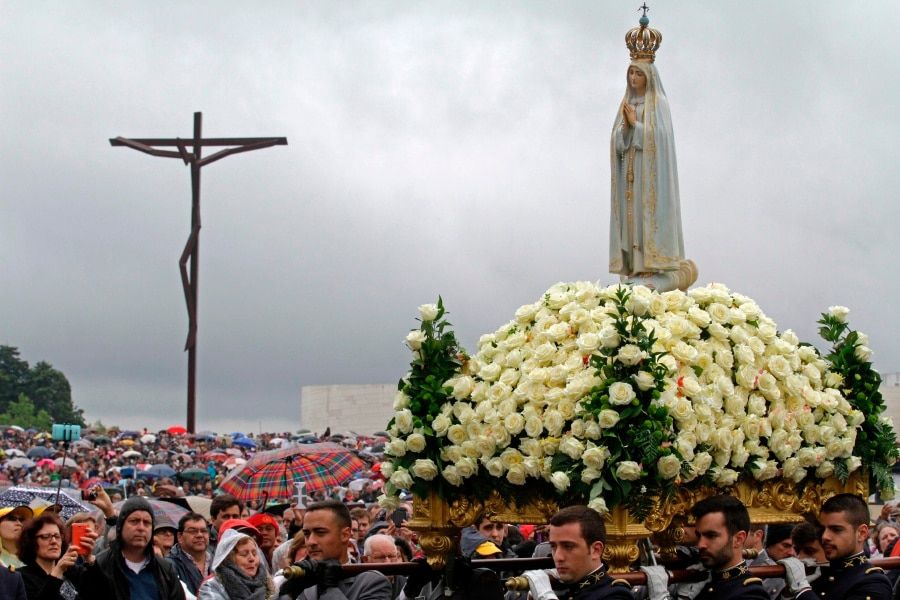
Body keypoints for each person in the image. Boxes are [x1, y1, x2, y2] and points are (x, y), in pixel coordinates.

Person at [609, 14, 694, 292]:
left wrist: (637, 125)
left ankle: (654, 267)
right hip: (630, 177)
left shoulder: (660, 104)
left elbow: (662, 140)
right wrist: (623, 131)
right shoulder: (627, 103)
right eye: (631, 73)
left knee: (648, 219)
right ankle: (635, 267)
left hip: (651, 178)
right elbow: (617, 142)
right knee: (632, 221)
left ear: (648, 77)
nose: (634, 78)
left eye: (638, 73)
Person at [779, 493, 892, 600]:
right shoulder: (818, 573)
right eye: (822, 529)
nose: (825, 537)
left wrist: (801, 589)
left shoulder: (873, 582)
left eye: (836, 530)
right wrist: (788, 594)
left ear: (861, 533)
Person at [279, 499, 391, 599]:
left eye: (320, 532)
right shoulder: (304, 582)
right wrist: (287, 594)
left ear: (345, 535)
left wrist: (328, 588)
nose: (311, 541)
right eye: (307, 534)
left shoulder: (372, 582)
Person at [519, 505, 633, 600]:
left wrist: (544, 595)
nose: (558, 557)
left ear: (596, 550)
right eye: (553, 546)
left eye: (568, 546)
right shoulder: (564, 589)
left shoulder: (616, 595)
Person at [83, 496, 186, 600]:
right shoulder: (101, 565)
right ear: (121, 526)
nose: (141, 528)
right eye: (134, 521)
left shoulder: (165, 570)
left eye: (146, 523)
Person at [16, 512, 104, 600]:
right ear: (31, 542)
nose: (54, 541)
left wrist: (90, 560)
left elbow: (101, 593)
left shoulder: (72, 571)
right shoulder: (21, 577)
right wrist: (58, 571)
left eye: (57, 536)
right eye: (46, 536)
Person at [197, 528, 276, 600]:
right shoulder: (211, 587)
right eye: (244, 554)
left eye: (254, 553)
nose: (252, 559)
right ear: (229, 559)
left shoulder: (269, 584)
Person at [168, 512, 212, 596]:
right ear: (180, 536)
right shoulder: (169, 566)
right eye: (193, 531)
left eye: (203, 531)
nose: (199, 535)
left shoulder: (218, 563)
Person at [748, 523, 795, 599]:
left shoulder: (776, 575)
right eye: (786, 546)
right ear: (771, 543)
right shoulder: (759, 564)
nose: (792, 553)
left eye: (795, 548)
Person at [361, 534, 404, 599]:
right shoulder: (358, 586)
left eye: (391, 556)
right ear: (365, 560)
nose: (388, 562)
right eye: (380, 557)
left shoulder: (407, 585)